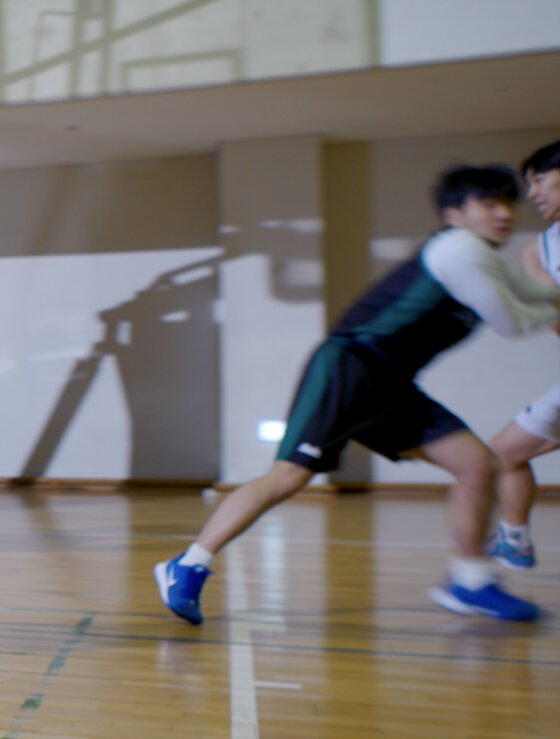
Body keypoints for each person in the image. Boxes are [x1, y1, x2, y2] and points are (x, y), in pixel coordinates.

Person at [153, 165, 560, 624]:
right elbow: (512, 320)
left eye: (509, 204)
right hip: (350, 368)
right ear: (454, 213)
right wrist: (550, 297)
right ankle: (186, 565)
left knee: (478, 465)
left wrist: (551, 290)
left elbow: (529, 289)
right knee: (288, 476)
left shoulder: (481, 260)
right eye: (490, 204)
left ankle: (469, 581)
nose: (504, 214)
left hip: (389, 384)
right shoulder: (459, 250)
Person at [486, 140, 560, 570]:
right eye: (528, 185)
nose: (532, 194)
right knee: (503, 453)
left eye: (540, 180)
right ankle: (514, 542)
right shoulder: (540, 250)